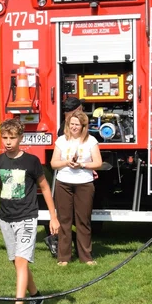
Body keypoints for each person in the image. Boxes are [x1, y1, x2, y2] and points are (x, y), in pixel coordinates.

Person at [0, 118, 60, 304]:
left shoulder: (31, 161)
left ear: (21, 138)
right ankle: (36, 296)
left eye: (12, 138)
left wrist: (53, 217)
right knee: (17, 263)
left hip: (27, 217)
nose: (7, 142)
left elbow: (44, 188)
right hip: (6, 218)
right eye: (4, 138)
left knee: (20, 260)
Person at [50, 110, 101, 266]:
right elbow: (53, 164)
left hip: (84, 183)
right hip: (63, 183)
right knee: (64, 220)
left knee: (83, 221)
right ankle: (64, 257)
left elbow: (98, 163)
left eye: (77, 124)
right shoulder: (61, 141)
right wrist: (66, 163)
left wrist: (83, 165)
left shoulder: (91, 141)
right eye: (71, 124)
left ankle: (86, 256)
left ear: (83, 126)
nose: (73, 127)